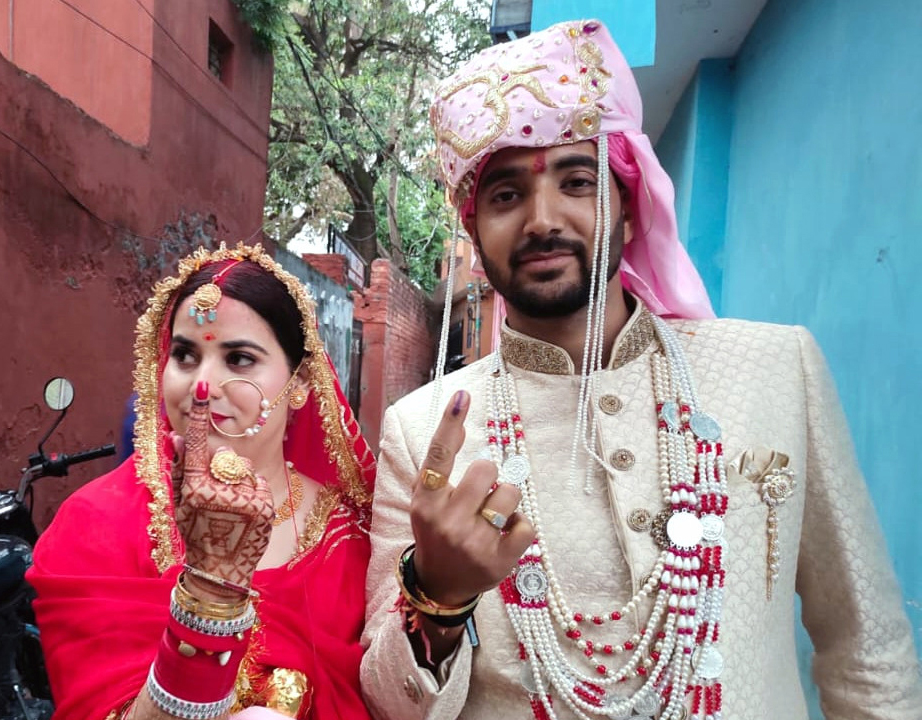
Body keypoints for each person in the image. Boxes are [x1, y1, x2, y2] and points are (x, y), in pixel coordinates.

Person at [360, 19, 922, 720]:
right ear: (474, 232)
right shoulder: (421, 433)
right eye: (505, 196)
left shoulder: (779, 369)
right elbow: (387, 701)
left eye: (578, 180)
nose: (542, 219)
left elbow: (866, 651)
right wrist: (437, 596)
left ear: (629, 203)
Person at [28, 243, 376, 720]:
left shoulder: (351, 538)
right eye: (185, 355)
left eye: (239, 359)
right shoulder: (95, 523)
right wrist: (211, 600)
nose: (201, 385)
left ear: (299, 384)